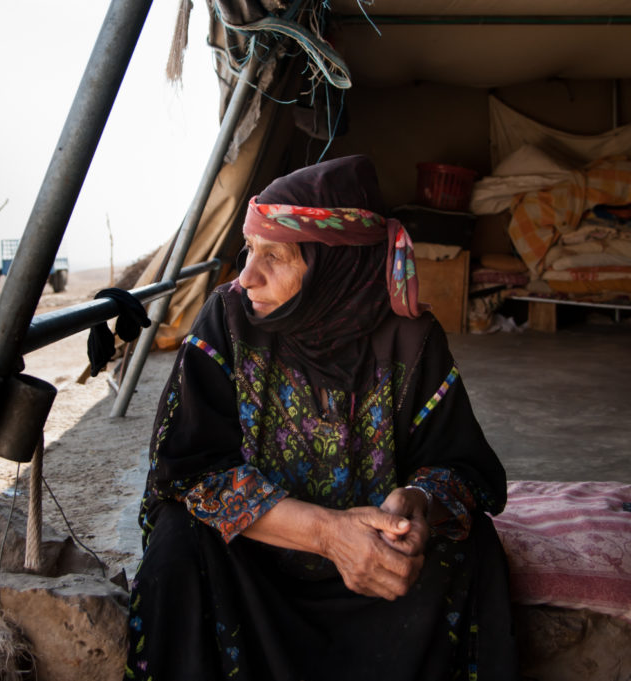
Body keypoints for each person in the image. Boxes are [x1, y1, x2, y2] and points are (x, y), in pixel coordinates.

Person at [124, 155, 519, 681]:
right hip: (255, 559)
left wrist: (418, 504)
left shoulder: (411, 341)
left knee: (473, 546)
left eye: (275, 256)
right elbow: (187, 472)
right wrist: (327, 533)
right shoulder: (229, 320)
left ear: (339, 265)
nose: (247, 277)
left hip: (376, 574)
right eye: (249, 250)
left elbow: (462, 469)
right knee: (178, 541)